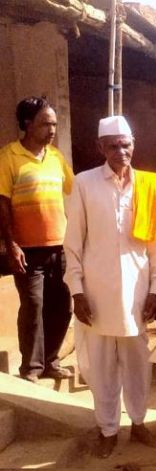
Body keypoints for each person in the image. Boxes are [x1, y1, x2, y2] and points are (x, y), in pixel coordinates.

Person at [63, 115, 156, 458]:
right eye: (113, 145)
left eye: (126, 144)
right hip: (97, 293)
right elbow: (73, 243)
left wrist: (155, 289)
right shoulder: (84, 184)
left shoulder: (149, 184)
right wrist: (77, 291)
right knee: (102, 365)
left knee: (138, 364)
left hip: (138, 293)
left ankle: (137, 423)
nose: (121, 151)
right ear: (100, 147)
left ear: (134, 145)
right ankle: (107, 428)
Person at [0, 97, 73, 382]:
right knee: (33, 306)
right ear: (27, 124)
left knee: (62, 305)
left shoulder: (55, 157)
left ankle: (51, 360)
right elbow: (2, 203)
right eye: (45, 123)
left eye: (54, 123)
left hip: (59, 246)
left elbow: (74, 191)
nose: (52, 129)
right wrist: (11, 244)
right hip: (27, 250)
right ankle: (31, 368)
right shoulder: (8, 157)